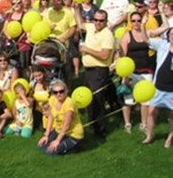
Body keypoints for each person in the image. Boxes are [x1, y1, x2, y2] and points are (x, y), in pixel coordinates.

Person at [75, 8, 116, 138]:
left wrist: (87, 50)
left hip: (99, 71)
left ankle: (100, 129)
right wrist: (76, 8)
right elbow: (80, 23)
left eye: (101, 20)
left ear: (106, 21)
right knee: (90, 99)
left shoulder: (107, 34)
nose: (98, 22)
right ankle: (93, 124)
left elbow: (105, 55)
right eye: (96, 20)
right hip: (89, 71)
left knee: (97, 100)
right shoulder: (91, 27)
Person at [119, 11, 155, 133]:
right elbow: (122, 56)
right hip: (131, 71)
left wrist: (160, 12)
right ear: (130, 22)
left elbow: (164, 28)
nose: (136, 23)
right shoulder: (126, 36)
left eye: (138, 20)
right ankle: (127, 123)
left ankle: (144, 123)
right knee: (128, 98)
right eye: (133, 21)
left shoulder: (146, 33)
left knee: (146, 99)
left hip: (146, 69)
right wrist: (124, 76)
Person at [143, 14, 173, 147]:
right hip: (159, 87)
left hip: (172, 90)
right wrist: (143, 25)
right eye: (171, 34)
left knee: (172, 116)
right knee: (151, 112)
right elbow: (146, 40)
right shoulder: (162, 45)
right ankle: (149, 135)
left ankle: (169, 139)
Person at [37, 80, 84, 155]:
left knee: (50, 152)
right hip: (59, 130)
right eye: (55, 92)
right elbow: (51, 117)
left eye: (61, 91)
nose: (58, 94)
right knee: (41, 146)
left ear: (66, 91)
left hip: (73, 134)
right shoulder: (53, 99)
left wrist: (57, 140)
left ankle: (76, 146)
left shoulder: (69, 103)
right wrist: (46, 135)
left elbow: (67, 125)